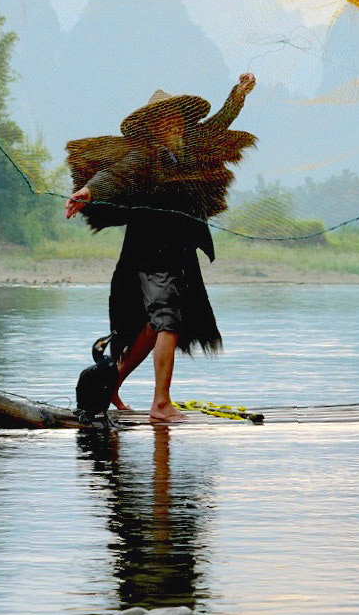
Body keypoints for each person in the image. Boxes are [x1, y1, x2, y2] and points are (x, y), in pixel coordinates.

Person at [65, 73, 256, 422]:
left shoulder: (187, 151)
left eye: (178, 118)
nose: (175, 125)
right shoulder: (144, 157)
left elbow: (217, 125)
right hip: (150, 255)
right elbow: (116, 173)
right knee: (168, 321)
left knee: (153, 327)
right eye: (166, 120)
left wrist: (238, 95)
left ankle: (112, 383)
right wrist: (89, 191)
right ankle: (161, 403)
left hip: (178, 253)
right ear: (153, 128)